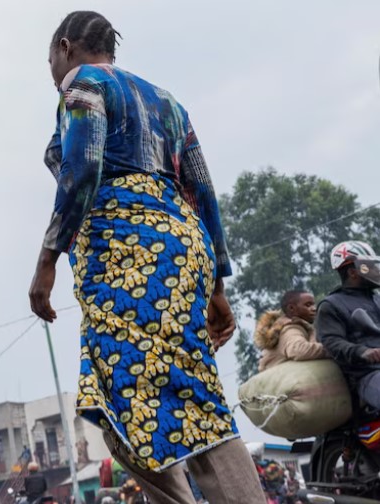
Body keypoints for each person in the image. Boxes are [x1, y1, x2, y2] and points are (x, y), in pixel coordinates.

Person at [28, 10, 265, 504]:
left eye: (50, 58)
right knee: (190, 394)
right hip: (183, 251)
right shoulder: (169, 103)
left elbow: (83, 165)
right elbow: (201, 189)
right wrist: (215, 283)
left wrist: (48, 257)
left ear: (66, 47)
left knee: (116, 397)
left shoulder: (82, 82)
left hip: (129, 255)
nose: (51, 70)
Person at [316, 241, 380, 409]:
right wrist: (363, 351)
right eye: (369, 267)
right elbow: (332, 341)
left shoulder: (376, 298)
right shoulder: (331, 305)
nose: (375, 270)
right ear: (353, 272)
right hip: (368, 374)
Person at [255, 290, 327, 372]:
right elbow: (299, 350)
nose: (314, 309)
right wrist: (332, 349)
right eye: (308, 305)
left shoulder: (299, 327)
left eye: (313, 304)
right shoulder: (290, 329)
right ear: (291, 308)